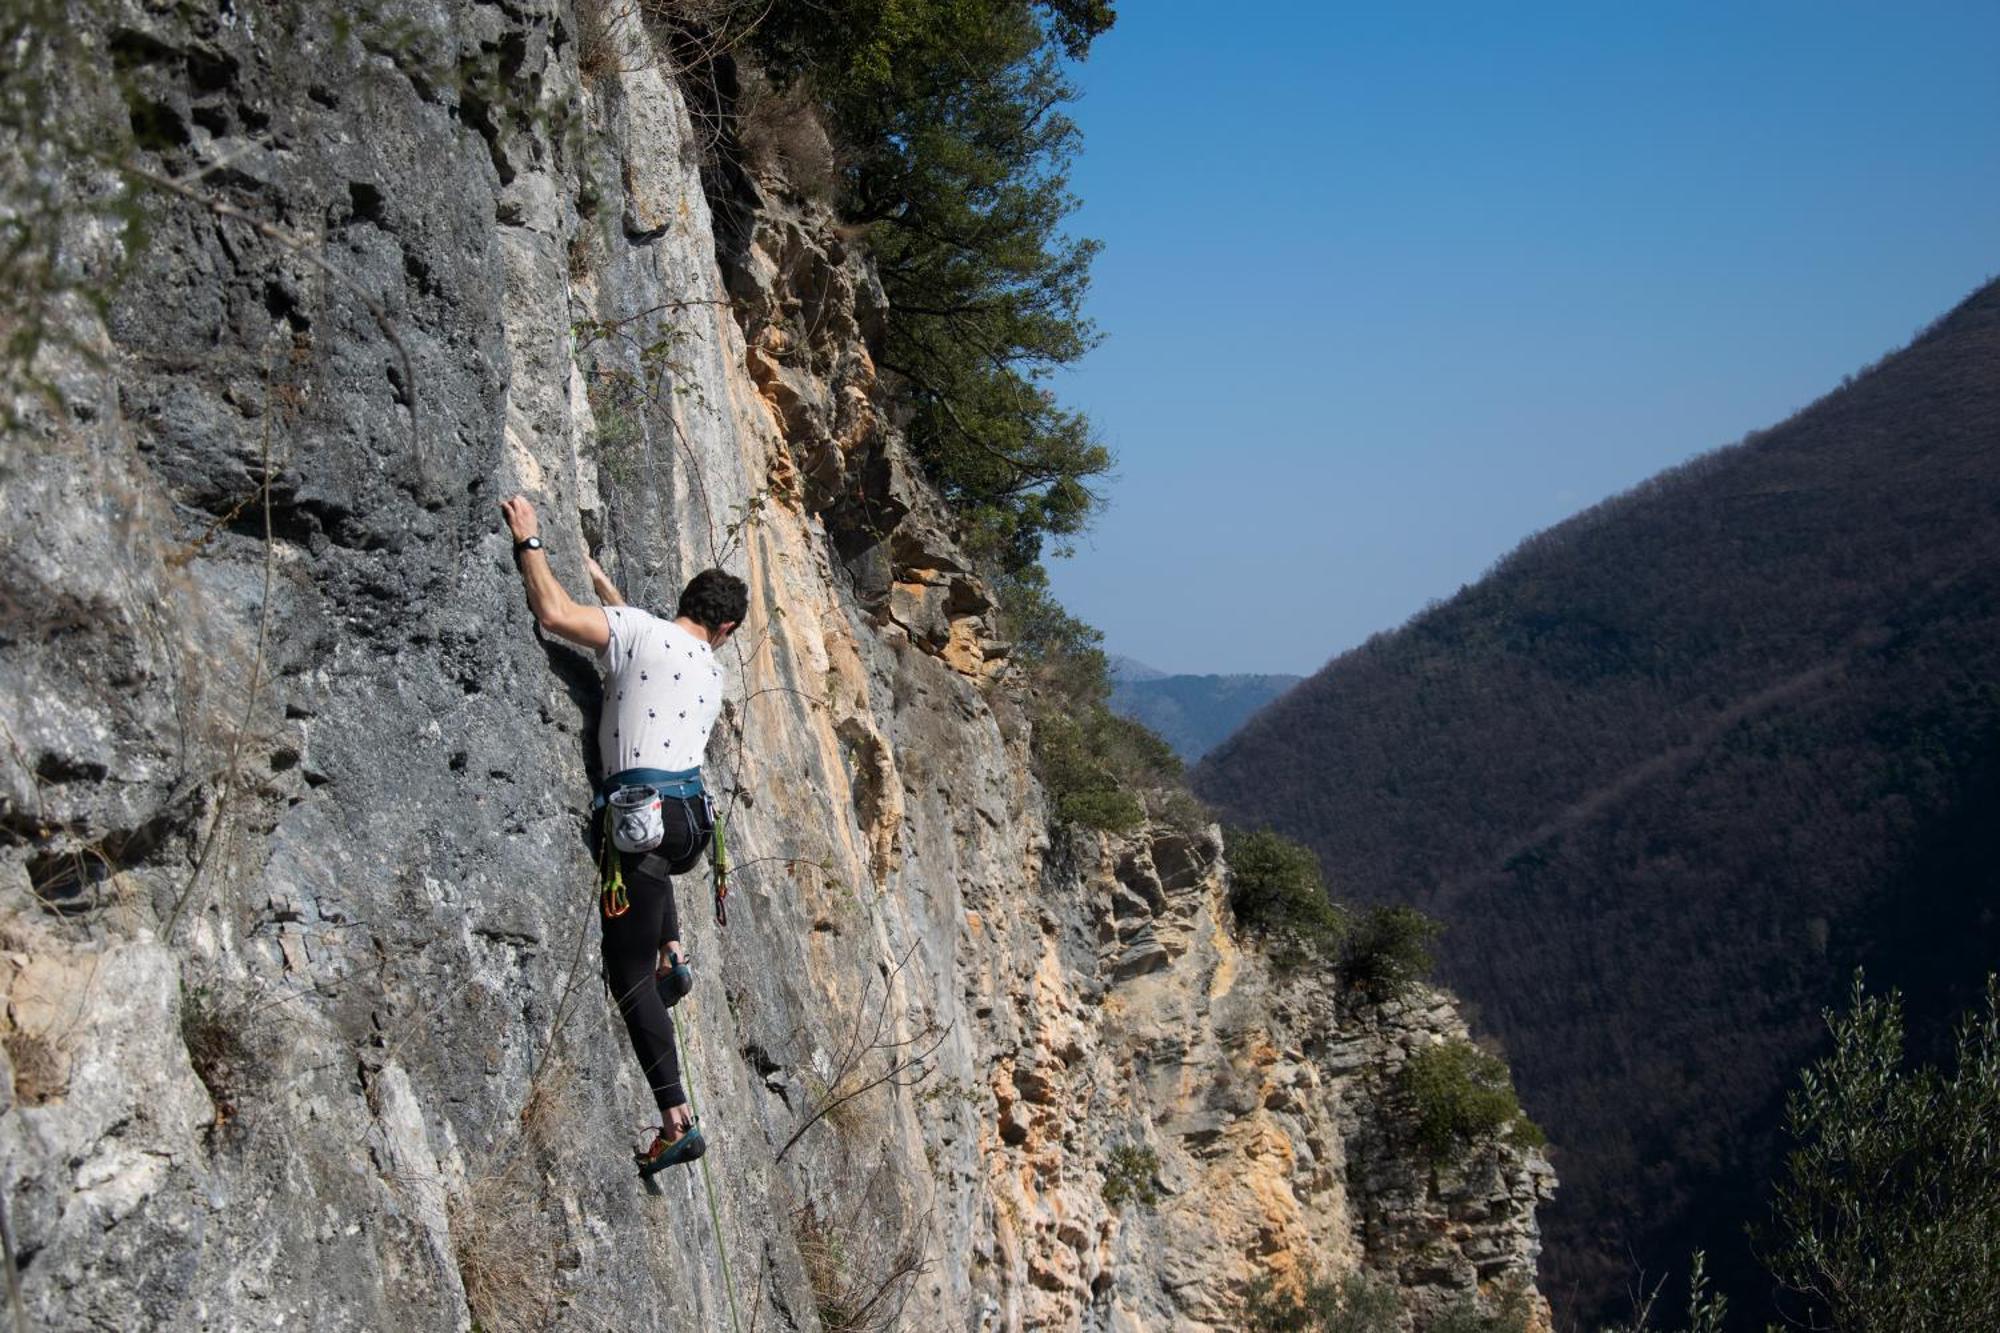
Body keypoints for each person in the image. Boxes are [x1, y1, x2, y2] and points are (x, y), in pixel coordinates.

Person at [500, 494, 748, 1174]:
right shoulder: (712, 669)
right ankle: (672, 947)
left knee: (626, 972)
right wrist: (607, 584)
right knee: (653, 877)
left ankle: (676, 1117)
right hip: (691, 825)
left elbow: (553, 613)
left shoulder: (638, 631)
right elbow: (650, 633)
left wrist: (529, 541)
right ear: (723, 627)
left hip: (643, 822)